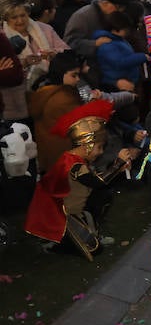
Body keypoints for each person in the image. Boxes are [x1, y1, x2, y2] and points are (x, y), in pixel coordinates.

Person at [23, 100, 138, 259]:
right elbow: (96, 182)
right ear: (87, 145)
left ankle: (88, 232)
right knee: (94, 250)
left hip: (77, 209)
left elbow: (98, 182)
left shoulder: (73, 159)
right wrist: (117, 164)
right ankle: (57, 244)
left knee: (104, 196)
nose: (100, 152)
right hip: (64, 215)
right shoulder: (72, 164)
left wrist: (118, 169)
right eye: (99, 147)